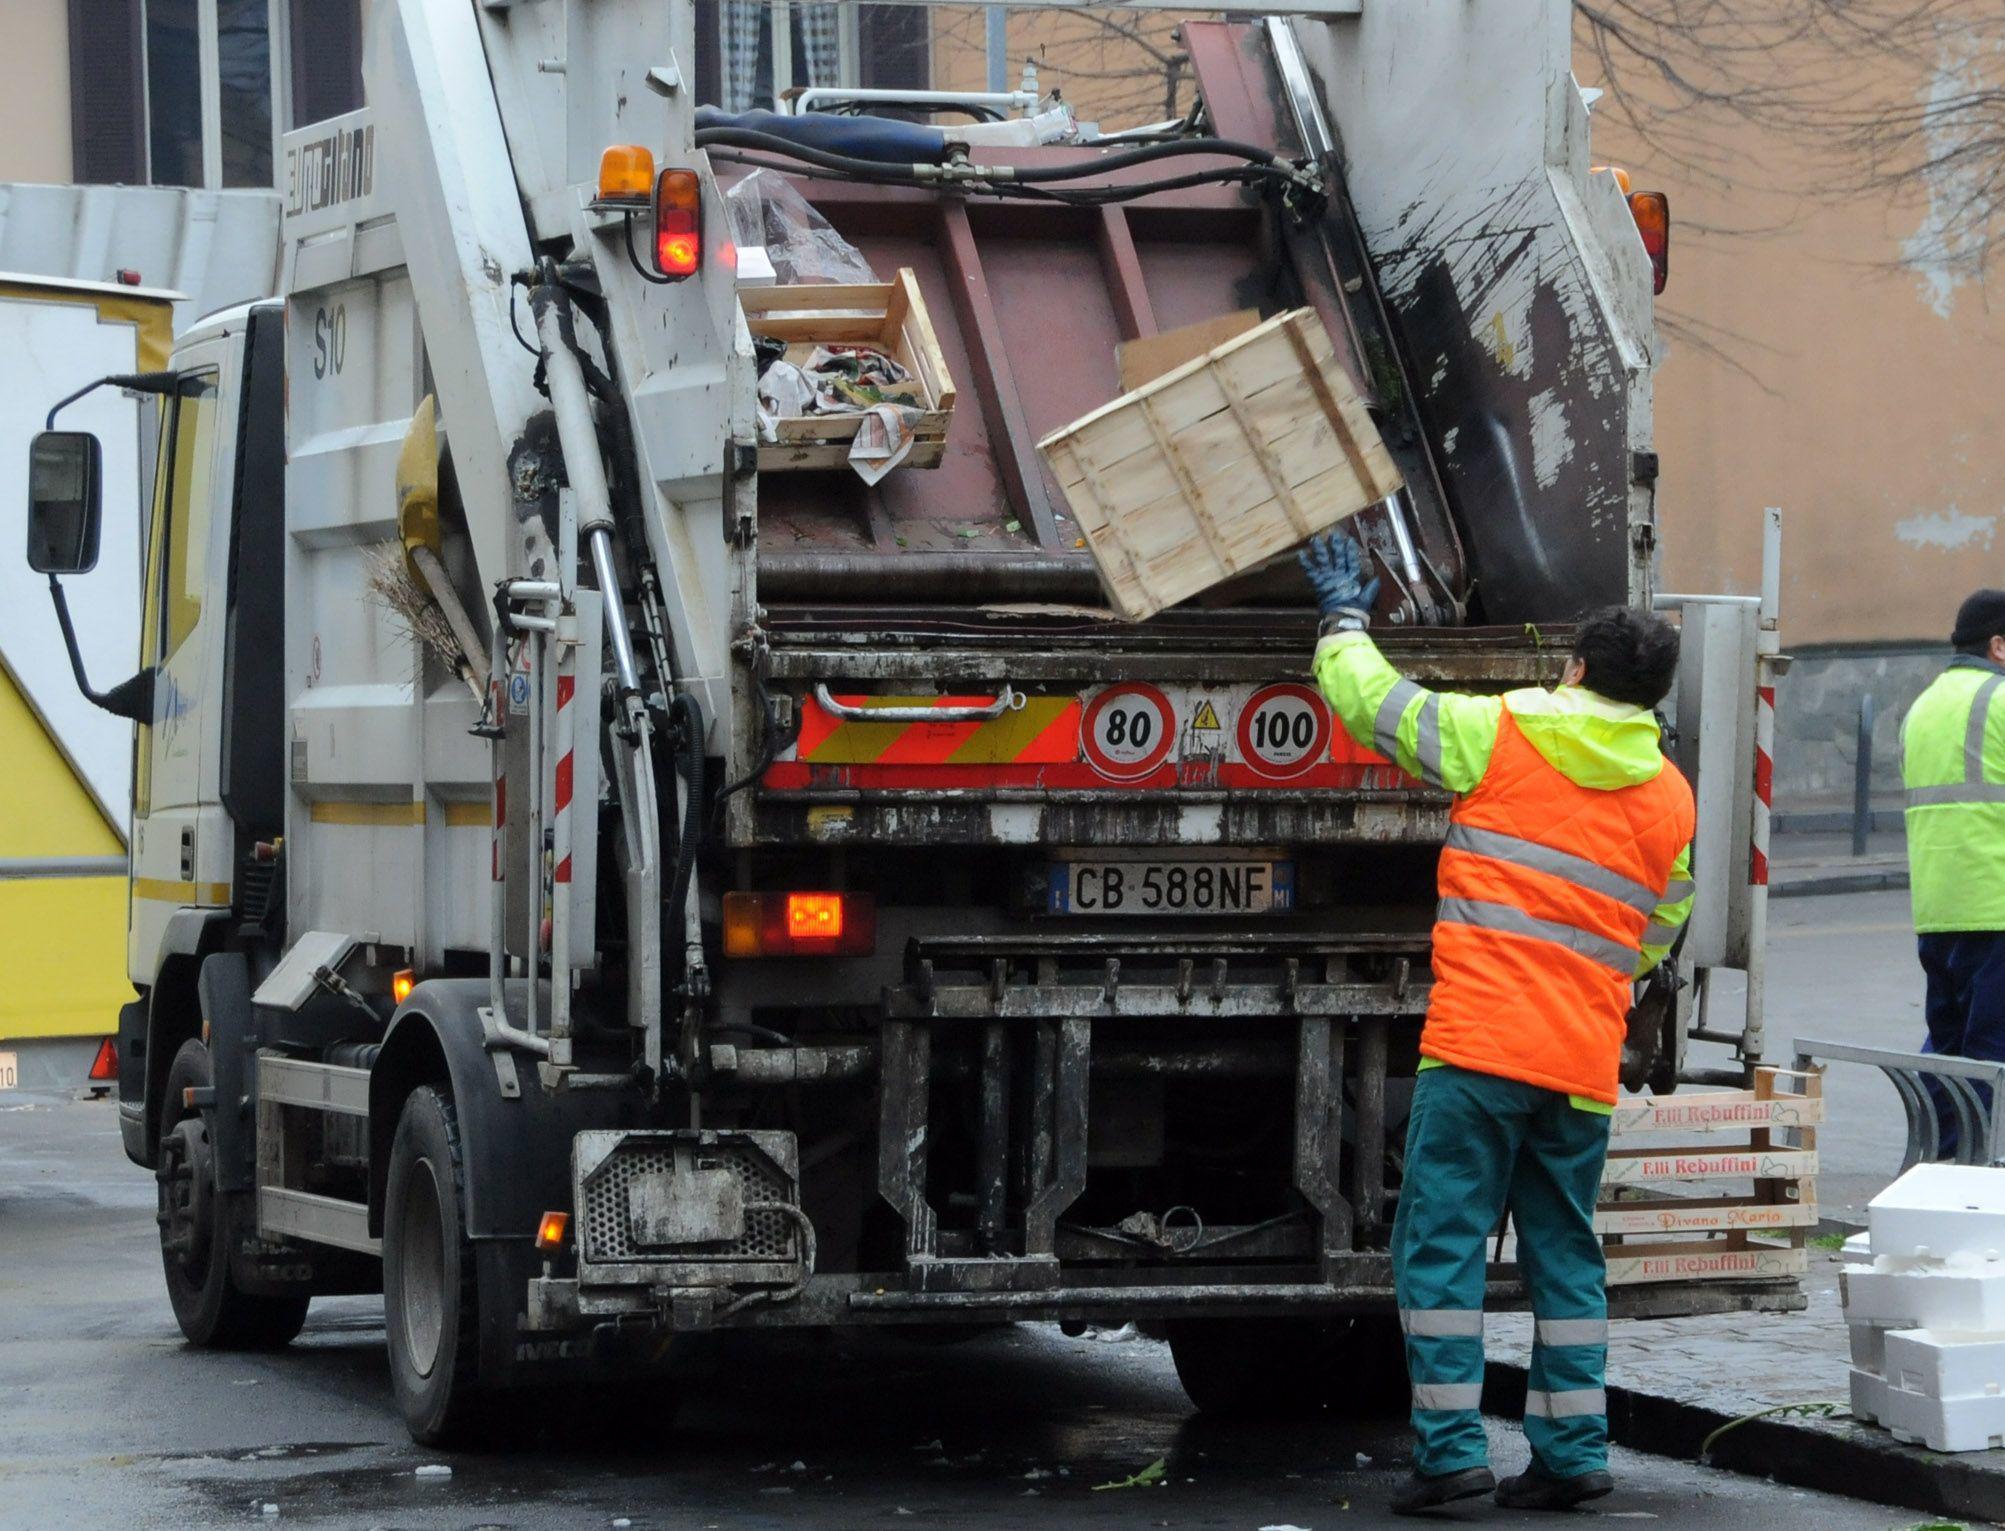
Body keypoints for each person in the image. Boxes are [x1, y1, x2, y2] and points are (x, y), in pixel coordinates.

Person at [1300, 531, 1696, 1516]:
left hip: (1477, 1046)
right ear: (1651, 695)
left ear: (1572, 669)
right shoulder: (1669, 797)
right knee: (1565, 1252)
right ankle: (1571, 1455)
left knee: (1439, 1249)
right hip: (1577, 1059)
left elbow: (1377, 708)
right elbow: (1657, 930)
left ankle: (1448, 1453)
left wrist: (1344, 620)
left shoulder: (1505, 734)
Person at [1902, 589, 2005, 1156]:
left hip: (1939, 910)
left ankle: (1942, 1165)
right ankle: (1971, 1180)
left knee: (1948, 1047)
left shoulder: (1924, 706)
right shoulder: (2001, 699)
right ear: (1997, 645)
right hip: (1997, 906)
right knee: (1990, 1052)